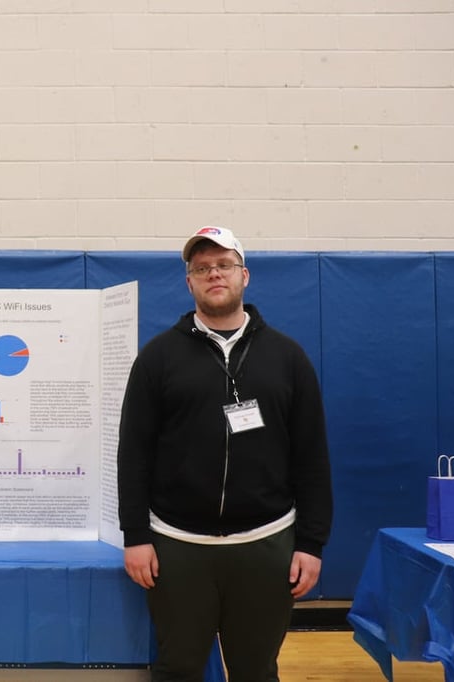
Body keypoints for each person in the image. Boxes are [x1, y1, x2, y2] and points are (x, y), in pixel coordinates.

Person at [117, 226, 333, 682]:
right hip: (177, 547)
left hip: (266, 545)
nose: (213, 274)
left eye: (224, 265)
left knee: (256, 670)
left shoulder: (288, 358)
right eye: (201, 268)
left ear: (244, 276)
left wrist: (311, 544)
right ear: (189, 283)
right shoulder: (158, 358)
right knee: (178, 669)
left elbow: (311, 458)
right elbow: (133, 453)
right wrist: (135, 535)